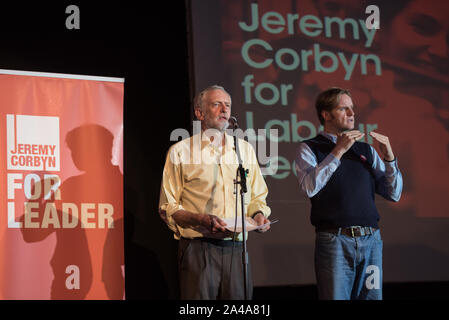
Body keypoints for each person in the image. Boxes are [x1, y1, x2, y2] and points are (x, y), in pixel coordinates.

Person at [158, 85, 272, 300]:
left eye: (227, 105)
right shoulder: (181, 151)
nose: (224, 110)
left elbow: (257, 197)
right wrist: (199, 218)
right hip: (198, 248)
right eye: (216, 104)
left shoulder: (244, 150)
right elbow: (168, 207)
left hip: (237, 247)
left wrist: (258, 215)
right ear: (199, 113)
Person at [295, 87, 403, 300]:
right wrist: (338, 151)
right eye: (344, 108)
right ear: (326, 114)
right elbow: (309, 186)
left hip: (371, 240)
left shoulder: (366, 151)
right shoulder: (309, 148)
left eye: (352, 108)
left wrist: (390, 159)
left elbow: (394, 194)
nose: (352, 114)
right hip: (335, 241)